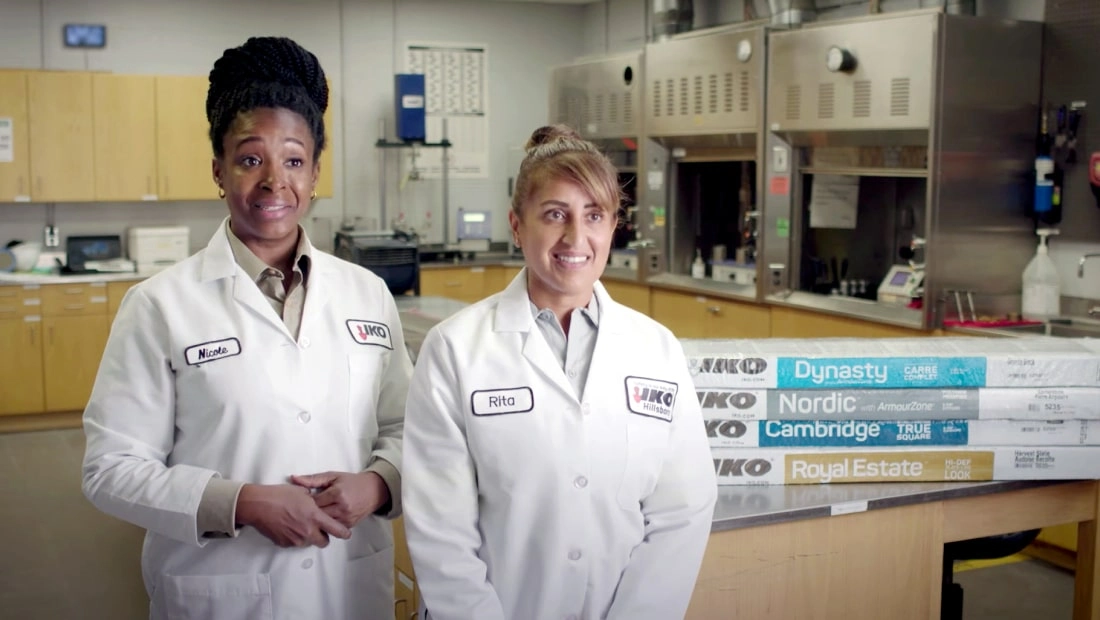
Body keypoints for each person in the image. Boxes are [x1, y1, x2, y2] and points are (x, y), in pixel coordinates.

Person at [81, 36, 412, 620]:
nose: (273, 182)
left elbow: (410, 428)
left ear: (313, 173)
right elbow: (111, 469)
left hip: (348, 585)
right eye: (250, 158)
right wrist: (241, 502)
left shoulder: (368, 295)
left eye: (293, 160)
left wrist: (379, 484)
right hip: (221, 591)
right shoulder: (160, 305)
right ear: (219, 169)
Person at [402, 125, 718, 620]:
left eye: (594, 215)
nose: (576, 237)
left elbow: (683, 510)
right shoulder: (454, 349)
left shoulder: (657, 350)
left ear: (614, 226)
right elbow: (440, 529)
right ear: (516, 224)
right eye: (555, 214)